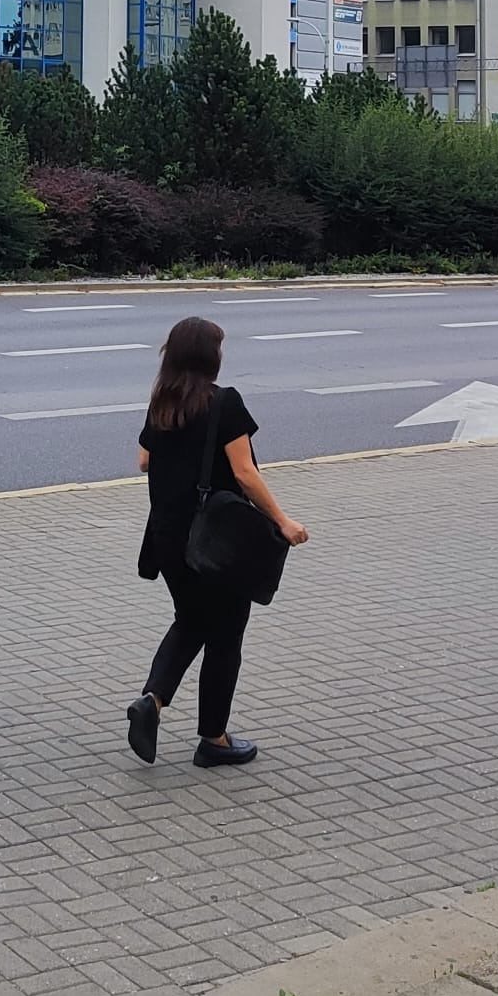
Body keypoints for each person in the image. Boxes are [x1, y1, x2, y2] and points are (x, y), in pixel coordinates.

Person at [127, 316, 309, 768]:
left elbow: (144, 460)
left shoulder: (163, 402)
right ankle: (214, 738)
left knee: (191, 620)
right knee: (226, 635)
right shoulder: (224, 402)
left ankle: (152, 699)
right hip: (215, 539)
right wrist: (283, 521)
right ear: (210, 357)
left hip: (169, 539)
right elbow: (246, 473)